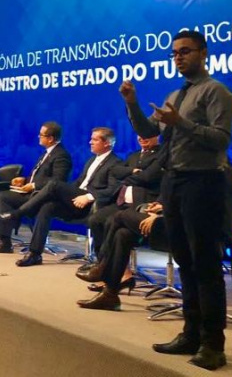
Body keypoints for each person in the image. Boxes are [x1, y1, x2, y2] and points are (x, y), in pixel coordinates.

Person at [120, 30, 232, 370]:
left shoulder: (216, 91)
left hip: (203, 182)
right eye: (175, 53)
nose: (179, 57)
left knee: (205, 264)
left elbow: (220, 139)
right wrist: (132, 102)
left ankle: (213, 344)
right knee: (184, 259)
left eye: (185, 51)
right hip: (174, 182)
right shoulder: (175, 94)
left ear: (203, 52)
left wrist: (180, 122)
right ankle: (191, 333)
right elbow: (148, 132)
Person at [1, 127, 122, 266]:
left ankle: (19, 213)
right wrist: (66, 193)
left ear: (107, 143)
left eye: (95, 139)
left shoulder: (115, 163)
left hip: (91, 205)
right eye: (91, 139)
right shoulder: (91, 160)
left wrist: (89, 197)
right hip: (75, 200)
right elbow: (78, 183)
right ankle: (35, 254)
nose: (90, 142)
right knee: (47, 207)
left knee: (54, 184)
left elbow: (112, 190)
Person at [0, 121, 72, 253]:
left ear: (50, 138)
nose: (38, 137)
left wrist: (33, 185)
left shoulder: (61, 155)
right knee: (1, 195)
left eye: (41, 135)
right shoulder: (46, 153)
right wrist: (25, 180)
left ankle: (4, 241)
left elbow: (58, 181)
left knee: (4, 197)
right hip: (34, 192)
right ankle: (1, 238)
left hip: (42, 196)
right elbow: (40, 176)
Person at [84, 135, 162, 259]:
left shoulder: (161, 155)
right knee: (95, 219)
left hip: (141, 205)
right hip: (121, 203)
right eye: (139, 135)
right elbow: (115, 171)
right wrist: (133, 171)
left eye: (146, 135)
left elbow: (147, 177)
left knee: (112, 221)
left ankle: (107, 262)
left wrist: (127, 176)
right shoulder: (134, 155)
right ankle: (101, 260)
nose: (142, 138)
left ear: (156, 136)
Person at [76, 201, 164, 311]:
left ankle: (102, 267)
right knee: (122, 234)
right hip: (163, 217)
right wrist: (159, 206)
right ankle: (110, 295)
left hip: (174, 226)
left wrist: (160, 215)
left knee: (119, 216)